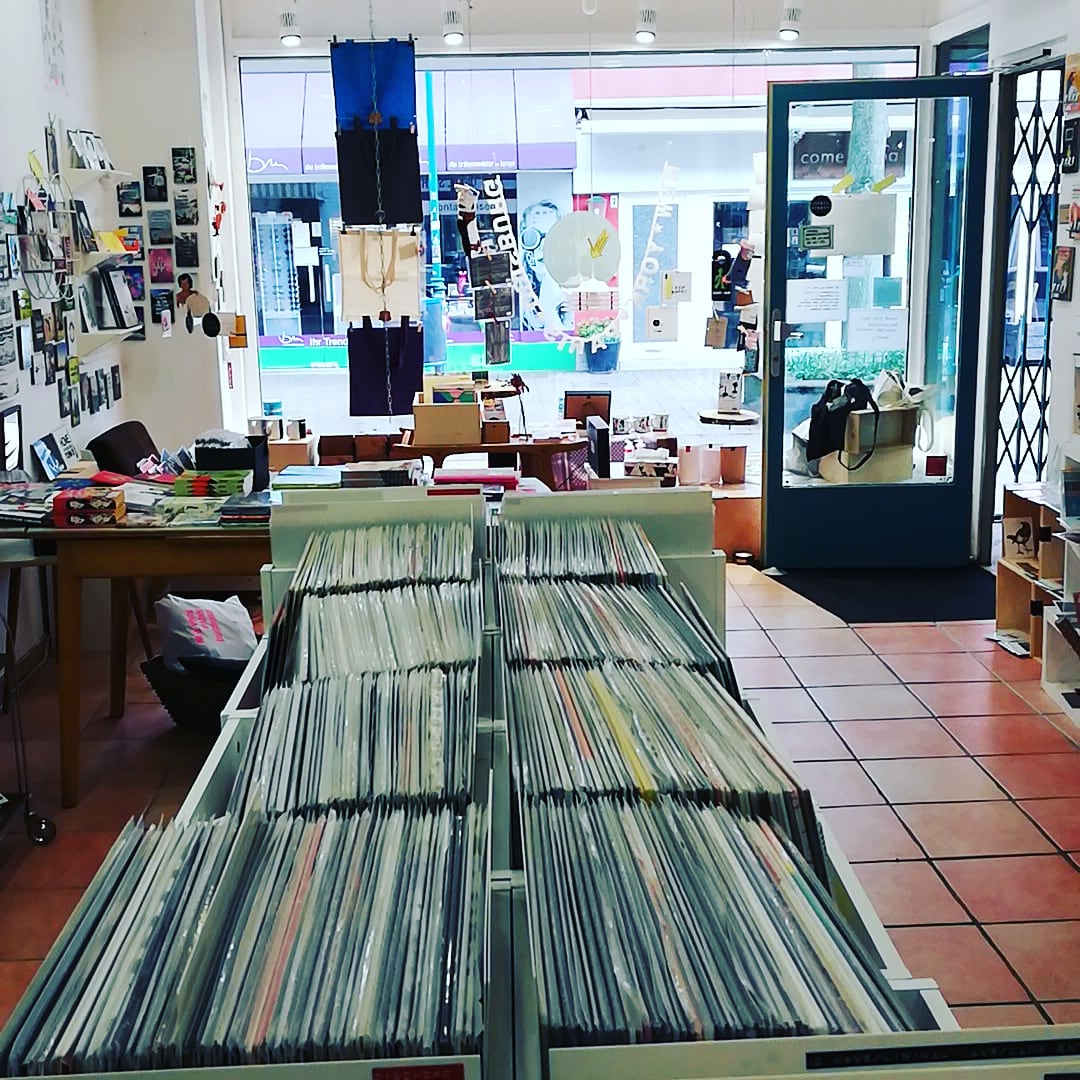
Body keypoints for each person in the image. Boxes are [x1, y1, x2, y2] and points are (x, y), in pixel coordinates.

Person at [519, 199, 570, 333]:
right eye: (532, 237)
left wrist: (549, 308)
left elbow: (566, 338)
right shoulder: (518, 288)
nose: (543, 247)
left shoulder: (570, 292)